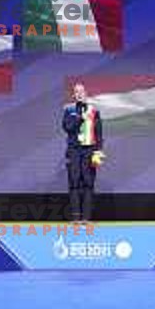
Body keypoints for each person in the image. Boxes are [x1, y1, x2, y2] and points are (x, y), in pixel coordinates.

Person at [62, 83, 104, 224]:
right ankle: (75, 218)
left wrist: (98, 151)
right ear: (74, 95)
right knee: (74, 183)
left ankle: (86, 218)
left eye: (81, 91)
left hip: (89, 150)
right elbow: (68, 128)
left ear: (85, 93)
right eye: (76, 92)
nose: (79, 94)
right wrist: (80, 117)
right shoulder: (69, 110)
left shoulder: (94, 110)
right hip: (74, 150)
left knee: (88, 183)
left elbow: (99, 133)